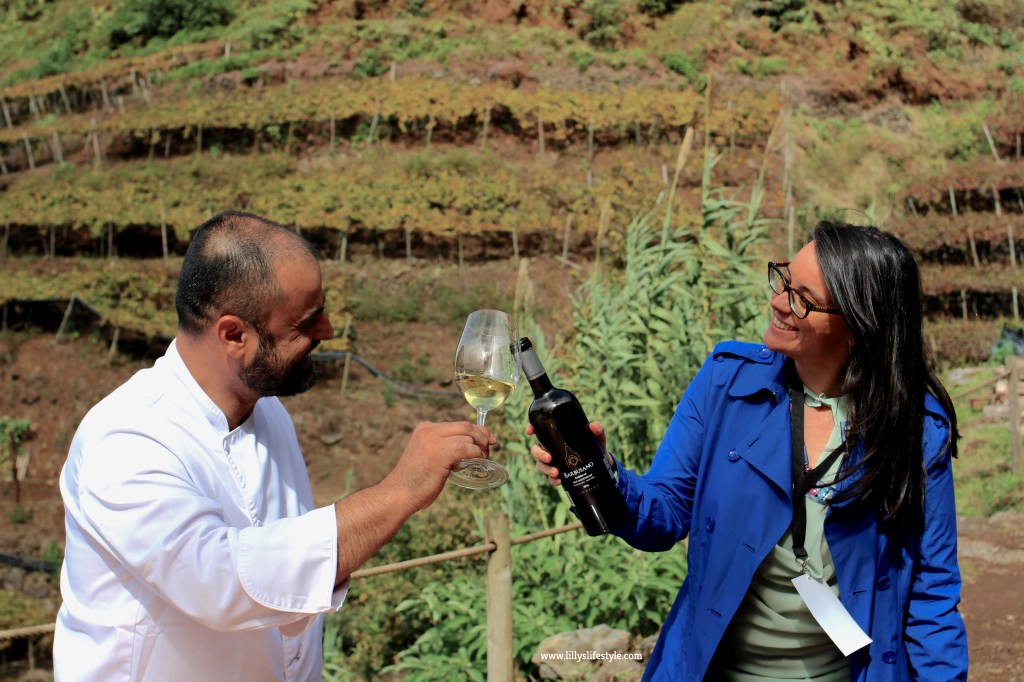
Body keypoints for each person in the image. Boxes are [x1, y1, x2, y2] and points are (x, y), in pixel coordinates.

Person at [55, 211, 495, 681]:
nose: (326, 332)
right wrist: (400, 491)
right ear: (233, 335)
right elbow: (221, 583)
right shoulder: (125, 440)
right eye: (307, 322)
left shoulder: (266, 411)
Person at [530, 220, 968, 681]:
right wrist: (605, 475)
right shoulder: (727, 383)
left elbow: (932, 594)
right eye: (783, 279)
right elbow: (662, 516)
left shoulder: (914, 429)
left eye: (802, 298)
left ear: (859, 327)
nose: (778, 302)